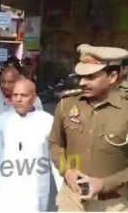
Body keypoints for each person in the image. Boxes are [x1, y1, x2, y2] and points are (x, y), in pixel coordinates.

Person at [49, 44, 128, 211]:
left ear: (112, 76)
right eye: (81, 76)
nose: (83, 82)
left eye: (90, 76)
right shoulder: (66, 105)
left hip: (114, 204)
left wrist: (104, 184)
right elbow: (55, 144)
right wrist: (66, 171)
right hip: (71, 200)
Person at [0, 79, 53, 212]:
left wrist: (66, 191)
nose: (18, 99)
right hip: (6, 190)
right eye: (15, 95)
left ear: (34, 98)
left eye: (24, 95)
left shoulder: (47, 121)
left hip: (34, 190)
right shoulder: (3, 119)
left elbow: (57, 157)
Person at [0, 67, 43, 132]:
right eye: (3, 82)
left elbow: (40, 123)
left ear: (18, 82)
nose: (6, 86)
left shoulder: (33, 99)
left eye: (10, 82)